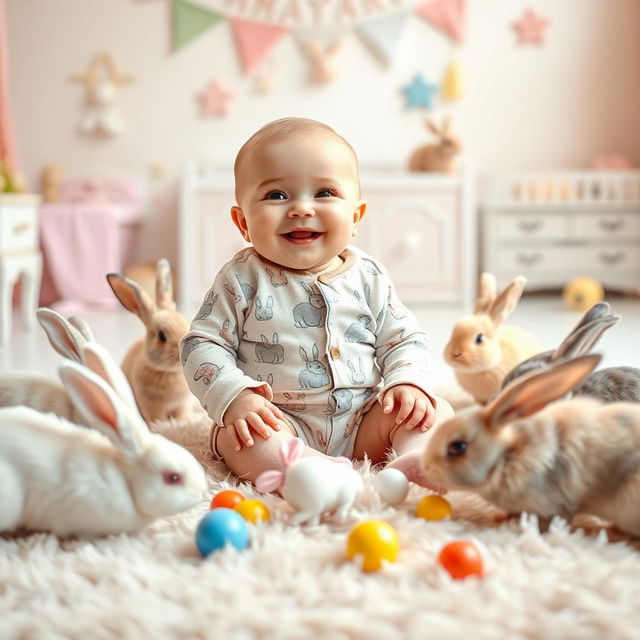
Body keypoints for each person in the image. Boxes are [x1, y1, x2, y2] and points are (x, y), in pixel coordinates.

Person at [181, 117, 454, 486]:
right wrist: (235, 397)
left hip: (363, 423)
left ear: (356, 217)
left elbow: (404, 339)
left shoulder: (368, 276)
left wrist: (407, 383)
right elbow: (202, 344)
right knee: (242, 439)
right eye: (277, 195)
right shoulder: (241, 280)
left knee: (432, 412)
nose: (301, 208)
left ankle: (416, 461)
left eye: (324, 193)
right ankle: (310, 473)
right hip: (277, 421)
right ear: (243, 222)